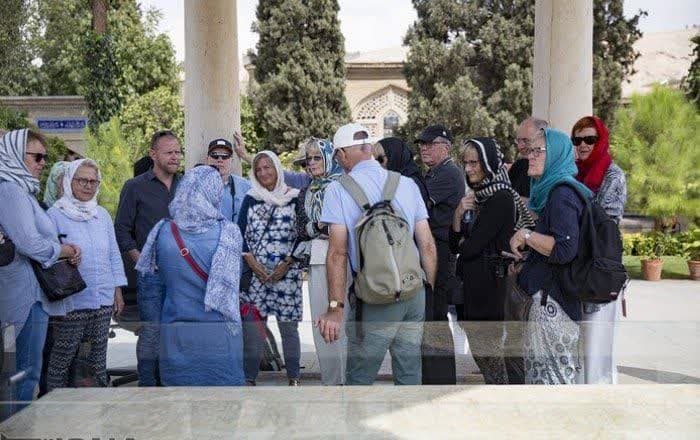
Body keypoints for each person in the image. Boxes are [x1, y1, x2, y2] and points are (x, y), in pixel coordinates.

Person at [316, 123, 437, 386]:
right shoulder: (405, 184)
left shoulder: (337, 190)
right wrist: (426, 288)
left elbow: (336, 253)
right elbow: (427, 245)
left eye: (337, 155)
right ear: (369, 149)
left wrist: (335, 307)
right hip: (413, 292)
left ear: (343, 154)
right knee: (409, 374)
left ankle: (357, 427)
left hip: (374, 297)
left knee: (361, 377)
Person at [136, 166, 245, 386]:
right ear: (214, 193)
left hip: (176, 337)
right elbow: (233, 285)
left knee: (179, 410)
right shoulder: (228, 233)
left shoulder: (162, 232)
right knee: (224, 410)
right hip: (219, 336)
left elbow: (151, 287)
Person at [0, 129, 81, 408]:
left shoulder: (21, 189)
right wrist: (63, 250)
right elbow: (28, 243)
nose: (42, 163)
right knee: (24, 373)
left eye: (44, 158)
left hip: (28, 292)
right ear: (14, 156)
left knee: (23, 373)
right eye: (36, 156)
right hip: (23, 296)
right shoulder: (11, 190)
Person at [509, 128, 593, 385]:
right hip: (554, 304)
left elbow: (565, 248)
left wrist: (526, 236)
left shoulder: (561, 194)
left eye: (538, 151)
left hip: (553, 309)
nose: (529, 156)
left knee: (550, 387)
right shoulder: (558, 192)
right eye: (529, 150)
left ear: (555, 155)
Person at [450, 138, 535, 384]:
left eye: (474, 163)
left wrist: (466, 242)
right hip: (474, 290)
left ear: (489, 162)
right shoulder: (477, 197)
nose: (468, 169)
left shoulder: (501, 198)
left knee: (495, 366)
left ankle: (505, 411)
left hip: (491, 292)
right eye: (465, 163)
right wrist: (458, 213)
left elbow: (470, 248)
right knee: (487, 361)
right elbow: (457, 244)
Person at [45, 159, 126, 391]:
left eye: (93, 181)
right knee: (63, 358)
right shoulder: (55, 214)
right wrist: (66, 254)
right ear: (70, 181)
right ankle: (55, 407)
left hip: (102, 298)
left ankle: (94, 409)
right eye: (82, 180)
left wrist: (117, 290)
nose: (88, 186)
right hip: (71, 300)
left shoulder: (101, 215)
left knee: (96, 360)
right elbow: (46, 255)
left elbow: (113, 254)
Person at [114, 129, 182, 386]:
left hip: (182, 275)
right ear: (153, 154)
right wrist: (140, 260)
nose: (175, 157)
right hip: (150, 277)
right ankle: (147, 387)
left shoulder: (185, 185)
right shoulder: (135, 187)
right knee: (151, 332)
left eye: (178, 152)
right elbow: (121, 229)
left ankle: (171, 383)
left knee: (176, 333)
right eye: (169, 152)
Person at [237, 151, 303, 386]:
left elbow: (302, 235)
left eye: (268, 167)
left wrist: (286, 264)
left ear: (277, 168)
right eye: (259, 169)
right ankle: (249, 378)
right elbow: (240, 234)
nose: (264, 173)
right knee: (255, 331)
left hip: (287, 275)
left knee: (289, 329)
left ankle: (294, 377)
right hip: (258, 278)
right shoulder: (251, 198)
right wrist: (253, 265)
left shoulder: (295, 197)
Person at [572, 115, 628, 385]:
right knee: (580, 345)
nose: (583, 145)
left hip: (600, 270)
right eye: (578, 139)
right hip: (576, 267)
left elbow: (605, 221)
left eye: (589, 139)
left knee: (597, 348)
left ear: (601, 140)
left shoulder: (613, 175)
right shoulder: (574, 173)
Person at [294, 137, 347, 385]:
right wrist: (318, 226)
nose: (311, 163)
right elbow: (301, 228)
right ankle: (331, 381)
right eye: (308, 159)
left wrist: (320, 227)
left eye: (317, 157)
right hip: (317, 259)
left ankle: (348, 380)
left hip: (343, 260)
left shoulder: (344, 186)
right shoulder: (308, 190)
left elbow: (344, 226)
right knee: (320, 321)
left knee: (342, 321)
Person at [416, 124, 464, 385]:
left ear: (445, 147)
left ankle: (441, 379)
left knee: (435, 315)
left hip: (440, 250)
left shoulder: (449, 173)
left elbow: (418, 205)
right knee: (429, 316)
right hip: (431, 248)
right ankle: (433, 377)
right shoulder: (434, 173)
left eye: (429, 143)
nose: (424, 148)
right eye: (421, 144)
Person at [232, 132, 312, 190]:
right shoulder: (301, 180)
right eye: (304, 164)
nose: (309, 166)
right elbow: (273, 170)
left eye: (316, 159)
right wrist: (244, 155)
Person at [206, 138, 251, 223]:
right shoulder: (196, 186)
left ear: (232, 160)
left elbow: (276, 178)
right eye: (215, 155)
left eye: (225, 156)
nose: (220, 160)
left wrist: (245, 156)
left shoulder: (245, 186)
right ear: (207, 159)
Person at [378, 137, 430, 208]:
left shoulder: (410, 182)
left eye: (380, 159)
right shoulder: (395, 179)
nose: (377, 164)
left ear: (394, 156)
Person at [508, 117, 549, 202]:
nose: (520, 146)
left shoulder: (553, 170)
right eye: (518, 141)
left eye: (526, 140)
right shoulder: (519, 165)